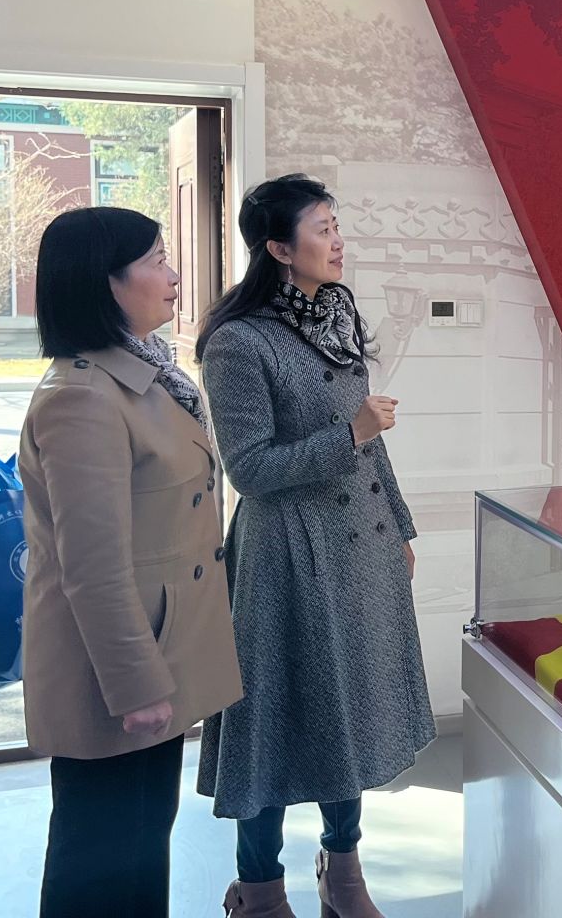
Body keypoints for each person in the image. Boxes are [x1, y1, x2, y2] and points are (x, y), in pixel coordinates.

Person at [198, 175, 431, 918]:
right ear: (278, 248)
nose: (338, 241)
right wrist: (351, 432)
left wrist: (401, 527)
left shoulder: (336, 314)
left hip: (361, 550)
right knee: (270, 722)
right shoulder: (238, 342)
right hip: (284, 558)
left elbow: (373, 447)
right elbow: (250, 470)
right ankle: (259, 888)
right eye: (323, 228)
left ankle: (343, 870)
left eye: (337, 225)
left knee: (350, 711)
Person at [17, 208, 242, 918]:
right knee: (99, 855)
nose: (173, 275)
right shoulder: (82, 397)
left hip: (157, 644)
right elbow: (91, 564)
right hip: (116, 665)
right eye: (156, 260)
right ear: (105, 281)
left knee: (142, 840)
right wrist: (136, 682)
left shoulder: (146, 375)